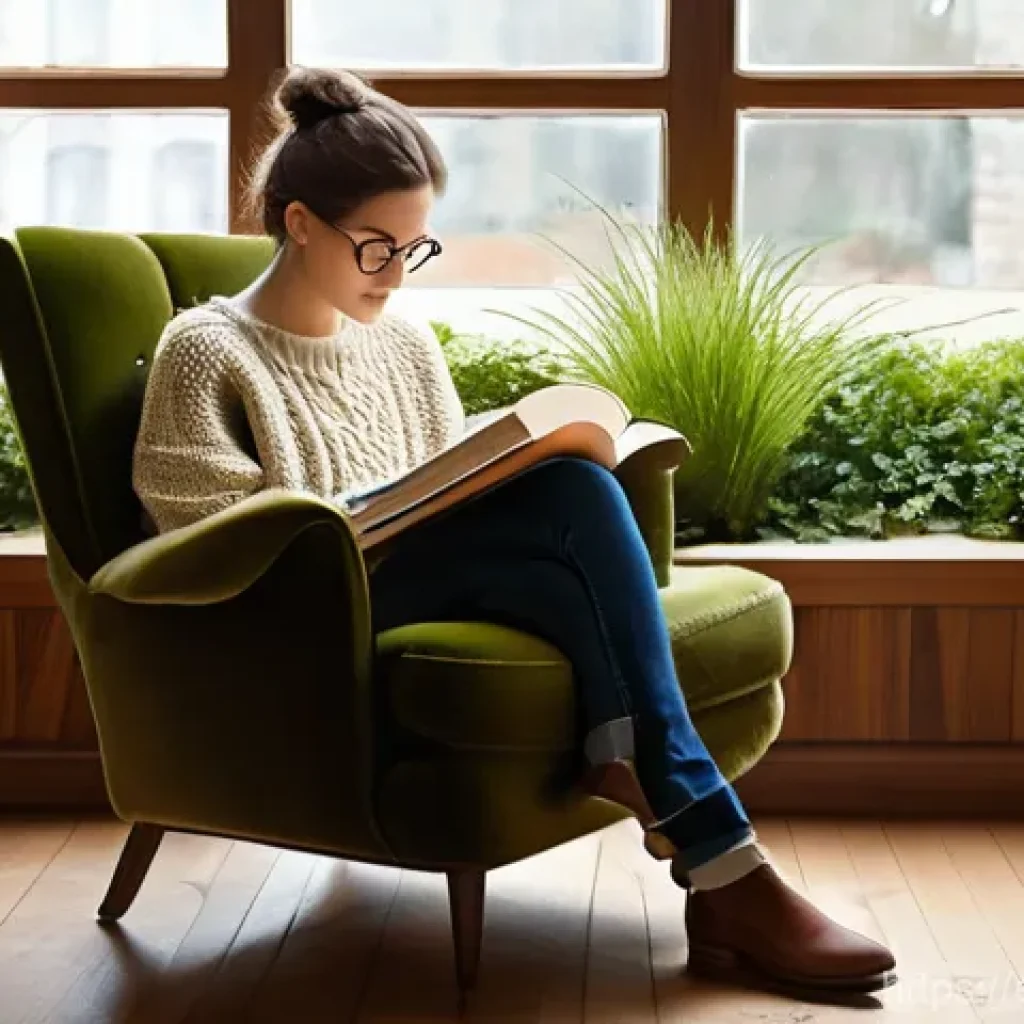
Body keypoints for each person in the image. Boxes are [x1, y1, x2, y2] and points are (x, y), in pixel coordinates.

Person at [131, 66, 896, 1001]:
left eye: (416, 249)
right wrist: (348, 520)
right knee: (572, 494)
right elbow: (199, 539)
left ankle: (704, 851)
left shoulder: (402, 344)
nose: (396, 276)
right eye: (377, 248)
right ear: (298, 223)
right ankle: (724, 858)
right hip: (312, 613)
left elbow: (443, 488)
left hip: (419, 574)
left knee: (562, 535)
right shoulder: (208, 349)